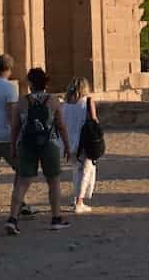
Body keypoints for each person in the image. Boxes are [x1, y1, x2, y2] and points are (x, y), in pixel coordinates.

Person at [4, 67, 71, 235]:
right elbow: (61, 126)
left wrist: (13, 147)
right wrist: (67, 146)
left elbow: (15, 127)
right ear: (45, 83)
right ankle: (56, 218)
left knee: (22, 183)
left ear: (30, 84)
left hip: (27, 144)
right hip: (49, 143)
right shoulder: (53, 100)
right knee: (53, 181)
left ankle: (12, 219)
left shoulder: (22, 101)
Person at [0, 54, 34, 225]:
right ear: (10, 68)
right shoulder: (10, 88)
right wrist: (18, 136)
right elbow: (12, 116)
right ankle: (19, 204)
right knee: (22, 169)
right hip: (4, 136)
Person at [61, 77, 97, 213]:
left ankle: (76, 198)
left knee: (76, 170)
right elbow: (94, 120)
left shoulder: (64, 105)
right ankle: (79, 202)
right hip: (84, 141)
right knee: (86, 170)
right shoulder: (87, 101)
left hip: (68, 141)